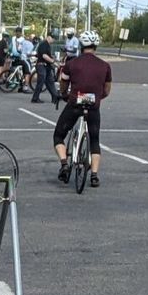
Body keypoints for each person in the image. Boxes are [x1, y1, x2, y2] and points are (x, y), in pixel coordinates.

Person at [53, 30, 112, 187]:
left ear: (81, 45)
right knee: (95, 139)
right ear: (96, 46)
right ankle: (94, 175)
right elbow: (107, 90)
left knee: (58, 135)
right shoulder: (105, 66)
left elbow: (63, 83)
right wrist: (98, 97)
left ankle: (64, 164)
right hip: (93, 105)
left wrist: (64, 94)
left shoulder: (71, 64)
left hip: (75, 103)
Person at [31, 31, 58, 103]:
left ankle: (55, 96)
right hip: (41, 65)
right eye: (53, 38)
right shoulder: (44, 44)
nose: (53, 40)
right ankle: (35, 98)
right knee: (41, 81)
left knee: (50, 82)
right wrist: (53, 61)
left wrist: (53, 59)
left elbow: (47, 55)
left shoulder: (48, 45)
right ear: (48, 37)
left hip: (47, 66)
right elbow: (44, 55)